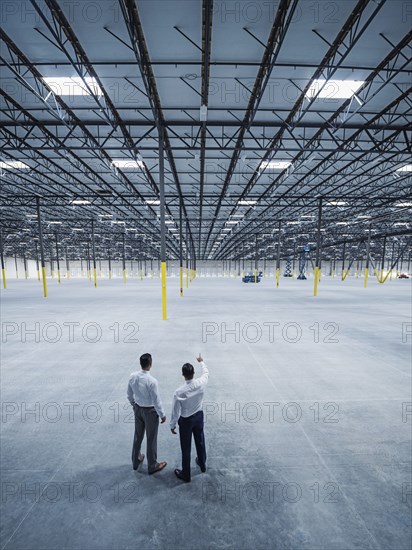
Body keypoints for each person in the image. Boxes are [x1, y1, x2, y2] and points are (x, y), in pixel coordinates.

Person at [170, 354, 209, 482]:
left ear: (183, 374)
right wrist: (201, 362)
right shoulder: (201, 382)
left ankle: (186, 474)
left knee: (186, 447)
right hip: (198, 416)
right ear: (193, 373)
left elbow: (175, 411)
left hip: (186, 421)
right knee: (200, 441)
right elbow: (206, 372)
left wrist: (172, 424)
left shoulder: (179, 392)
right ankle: (202, 464)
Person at [127, 353, 167, 475]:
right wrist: (162, 414)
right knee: (151, 438)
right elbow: (156, 400)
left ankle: (136, 460)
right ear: (150, 364)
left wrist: (134, 405)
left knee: (137, 436)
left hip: (138, 409)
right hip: (150, 412)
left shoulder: (132, 376)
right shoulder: (152, 381)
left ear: (141, 363)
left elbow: (129, 394)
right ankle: (152, 465)